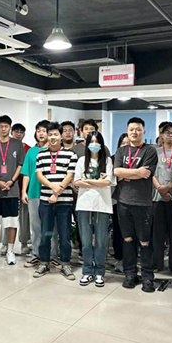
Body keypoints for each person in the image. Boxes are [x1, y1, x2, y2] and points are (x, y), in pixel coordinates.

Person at [113, 117, 158, 293]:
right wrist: (136, 172)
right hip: (123, 202)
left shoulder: (150, 150)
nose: (134, 132)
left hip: (143, 203)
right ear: (127, 131)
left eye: (138, 129)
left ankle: (147, 277)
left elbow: (146, 173)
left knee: (145, 242)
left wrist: (127, 173)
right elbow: (116, 171)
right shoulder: (121, 151)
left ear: (143, 132)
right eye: (131, 129)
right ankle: (130, 274)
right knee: (128, 240)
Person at [33, 122, 78, 280]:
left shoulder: (71, 155)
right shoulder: (41, 155)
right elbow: (39, 176)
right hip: (46, 202)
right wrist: (53, 187)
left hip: (64, 202)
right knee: (46, 233)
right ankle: (44, 262)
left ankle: (65, 264)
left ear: (61, 136)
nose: (52, 137)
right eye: (50, 134)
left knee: (64, 235)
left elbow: (70, 175)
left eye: (55, 134)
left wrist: (57, 193)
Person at [74, 131, 115, 287]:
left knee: (101, 242)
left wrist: (88, 181)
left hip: (102, 205)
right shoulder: (81, 161)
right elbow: (77, 182)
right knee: (85, 242)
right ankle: (87, 271)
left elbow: (108, 182)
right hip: (84, 205)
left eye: (97, 142)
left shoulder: (108, 161)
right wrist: (98, 181)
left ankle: (99, 272)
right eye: (91, 141)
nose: (94, 145)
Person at [0, 115, 25, 265]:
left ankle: (10, 251)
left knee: (11, 221)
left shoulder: (17, 144)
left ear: (10, 128)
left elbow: (20, 164)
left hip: (12, 190)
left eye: (6, 126)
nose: (3, 129)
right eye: (1, 126)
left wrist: (12, 180)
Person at [152, 122, 172, 273]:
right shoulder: (154, 152)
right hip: (157, 198)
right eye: (167, 132)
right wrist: (160, 188)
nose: (170, 135)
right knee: (157, 234)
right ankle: (156, 264)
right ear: (161, 136)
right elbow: (150, 173)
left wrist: (168, 187)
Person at [21, 120, 49, 267]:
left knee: (50, 227)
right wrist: (23, 191)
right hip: (33, 192)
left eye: (44, 131)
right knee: (35, 226)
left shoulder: (54, 150)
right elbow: (26, 173)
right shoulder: (31, 152)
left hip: (49, 193)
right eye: (38, 131)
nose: (41, 133)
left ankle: (52, 254)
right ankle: (36, 253)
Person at [11, 122, 31, 256]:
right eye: (16, 131)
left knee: (24, 218)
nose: (18, 134)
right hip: (9, 187)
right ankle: (5, 244)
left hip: (24, 187)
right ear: (12, 133)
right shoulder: (7, 147)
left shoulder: (28, 149)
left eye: (21, 132)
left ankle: (24, 242)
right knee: (9, 217)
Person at [111, 133, 129, 273]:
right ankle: (119, 259)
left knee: (131, 233)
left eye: (128, 143)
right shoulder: (112, 159)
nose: (125, 146)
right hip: (117, 200)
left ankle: (131, 260)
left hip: (134, 200)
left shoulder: (138, 160)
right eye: (123, 143)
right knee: (118, 231)